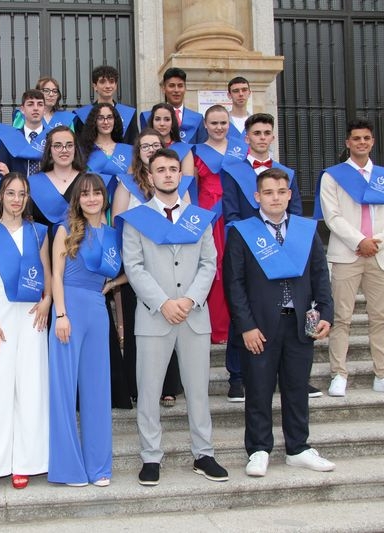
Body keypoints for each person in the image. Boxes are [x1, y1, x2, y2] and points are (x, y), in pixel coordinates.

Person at [119, 148, 227, 486]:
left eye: (173, 169)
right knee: (149, 391)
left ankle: (204, 453)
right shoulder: (137, 219)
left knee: (197, 390)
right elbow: (133, 267)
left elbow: (209, 263)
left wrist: (191, 299)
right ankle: (151, 457)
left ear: (181, 176)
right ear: (150, 177)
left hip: (194, 315)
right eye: (160, 169)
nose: (167, 174)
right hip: (155, 316)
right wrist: (163, 302)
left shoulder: (199, 217)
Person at [223, 167, 335, 478]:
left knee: (297, 387)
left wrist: (326, 313)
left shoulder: (305, 229)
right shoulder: (242, 232)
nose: (275, 197)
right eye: (268, 192)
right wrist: (245, 326)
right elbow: (234, 284)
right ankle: (259, 449)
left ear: (289, 195)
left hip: (300, 322)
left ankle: (298, 448)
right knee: (258, 389)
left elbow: (319, 275)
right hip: (259, 326)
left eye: (281, 191)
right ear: (257, 196)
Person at [221, 113, 319, 401]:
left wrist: (290, 242)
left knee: (295, 315)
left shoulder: (286, 173)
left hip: (287, 250)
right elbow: (231, 213)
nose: (262, 137)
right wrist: (251, 240)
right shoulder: (232, 170)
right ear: (247, 138)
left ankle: (297, 379)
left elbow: (297, 212)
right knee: (243, 312)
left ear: (272, 137)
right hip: (250, 252)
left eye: (267, 133)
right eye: (257, 133)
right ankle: (237, 376)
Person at [315, 119, 384, 397]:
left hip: (380, 255)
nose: (361, 143)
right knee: (341, 317)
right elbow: (332, 216)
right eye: (356, 138)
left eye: (366, 138)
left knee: (381, 317)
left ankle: (383, 374)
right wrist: (360, 241)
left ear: (372, 142)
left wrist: (376, 243)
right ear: (348, 143)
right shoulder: (333, 176)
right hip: (347, 254)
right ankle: (338, 373)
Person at [0, 173, 51, 497]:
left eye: (22, 194)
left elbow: (48, 274)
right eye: (11, 193)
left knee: (31, 387)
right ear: (0, 196)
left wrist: (47, 301)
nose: (17, 199)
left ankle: (26, 461)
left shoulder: (39, 232)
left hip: (33, 315)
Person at [111, 129, 193, 408]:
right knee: (139, 328)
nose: (149, 149)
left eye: (155, 145)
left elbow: (188, 224)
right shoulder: (126, 184)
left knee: (173, 324)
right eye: (145, 145)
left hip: (172, 264)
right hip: (141, 267)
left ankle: (169, 385)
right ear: (138, 151)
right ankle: (137, 386)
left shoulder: (177, 184)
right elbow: (117, 221)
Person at [48, 173, 119, 487]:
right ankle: (68, 469)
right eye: (85, 194)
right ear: (77, 199)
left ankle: (99, 467)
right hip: (69, 310)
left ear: (104, 197)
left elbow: (132, 268)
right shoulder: (65, 230)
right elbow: (56, 275)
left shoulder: (114, 234)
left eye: (97, 194)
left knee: (97, 390)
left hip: (97, 309)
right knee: (63, 390)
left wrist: (111, 285)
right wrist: (61, 314)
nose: (92, 199)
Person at [193, 105, 245, 345]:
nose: (219, 127)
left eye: (223, 123)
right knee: (211, 268)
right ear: (205, 125)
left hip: (234, 214)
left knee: (234, 269)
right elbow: (192, 188)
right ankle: (214, 327)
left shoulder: (241, 150)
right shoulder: (196, 152)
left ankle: (235, 324)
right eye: (213, 123)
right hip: (208, 216)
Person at [28, 126, 85, 229]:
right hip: (43, 243)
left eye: (69, 145)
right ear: (49, 151)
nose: (64, 150)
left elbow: (99, 222)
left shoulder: (87, 182)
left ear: (75, 149)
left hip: (81, 243)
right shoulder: (33, 183)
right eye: (58, 146)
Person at [139, 67, 206, 144]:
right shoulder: (148, 116)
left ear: (185, 88)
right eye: (171, 86)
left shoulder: (197, 119)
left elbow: (201, 150)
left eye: (180, 86)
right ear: (163, 88)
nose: (176, 90)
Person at [74, 65, 138, 144]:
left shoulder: (129, 112)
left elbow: (134, 142)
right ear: (95, 86)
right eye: (102, 82)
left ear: (116, 85)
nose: (108, 86)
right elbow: (80, 144)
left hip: (123, 156)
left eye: (111, 81)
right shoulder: (82, 114)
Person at [0, 90, 48, 177]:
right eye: (30, 104)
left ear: (44, 110)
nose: (36, 108)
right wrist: (9, 178)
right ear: (22, 109)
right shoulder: (9, 139)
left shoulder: (52, 137)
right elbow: (0, 170)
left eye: (40, 104)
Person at [80, 103, 131, 190]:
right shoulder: (83, 151)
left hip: (122, 199)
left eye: (110, 117)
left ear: (115, 120)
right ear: (94, 121)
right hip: (93, 199)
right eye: (100, 118)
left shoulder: (128, 150)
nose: (106, 122)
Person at [147, 102, 195, 177]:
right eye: (157, 119)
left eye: (167, 119)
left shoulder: (184, 150)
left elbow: (187, 179)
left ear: (172, 123)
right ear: (152, 122)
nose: (162, 123)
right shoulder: (143, 148)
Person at [226, 76, 252, 143]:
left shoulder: (256, 122)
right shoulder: (222, 122)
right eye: (236, 91)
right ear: (229, 95)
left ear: (249, 93)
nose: (241, 94)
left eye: (244, 90)